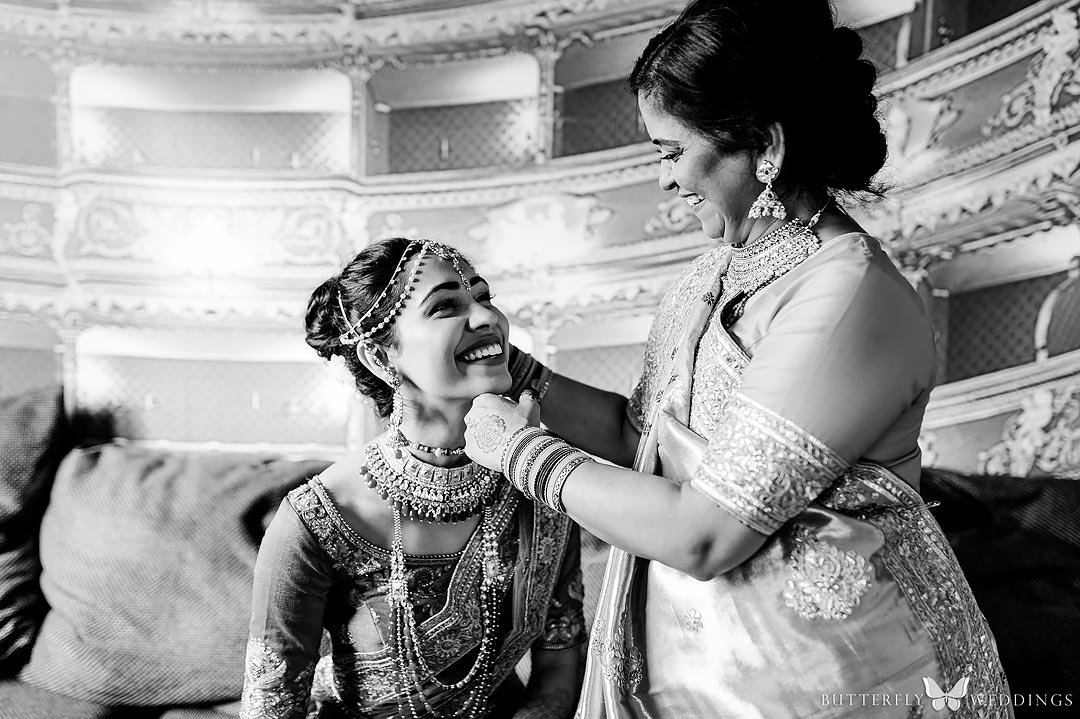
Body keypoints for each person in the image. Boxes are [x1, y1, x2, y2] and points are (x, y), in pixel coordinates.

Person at [460, 1, 1012, 717]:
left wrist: (520, 451)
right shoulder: (713, 272)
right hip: (706, 678)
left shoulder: (847, 297)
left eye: (671, 151)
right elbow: (644, 441)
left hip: (843, 686)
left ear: (764, 145)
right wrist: (512, 371)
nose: (664, 180)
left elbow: (704, 532)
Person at [240, 238, 586, 719]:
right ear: (382, 358)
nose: (489, 319)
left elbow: (561, 655)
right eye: (446, 306)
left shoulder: (540, 485)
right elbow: (271, 707)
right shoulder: (318, 519)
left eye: (485, 297)